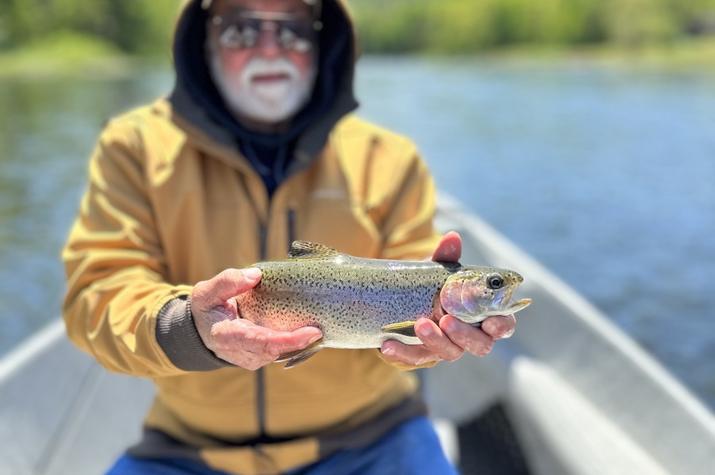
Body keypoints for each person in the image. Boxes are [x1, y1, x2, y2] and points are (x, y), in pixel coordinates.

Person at [61, 0, 517, 473]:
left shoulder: (390, 159)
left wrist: (429, 342)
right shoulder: (132, 148)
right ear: (205, 37)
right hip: (189, 451)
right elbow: (96, 296)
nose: (268, 48)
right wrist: (190, 329)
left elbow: (411, 271)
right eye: (241, 29)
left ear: (323, 39)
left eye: (293, 29)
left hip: (375, 438)